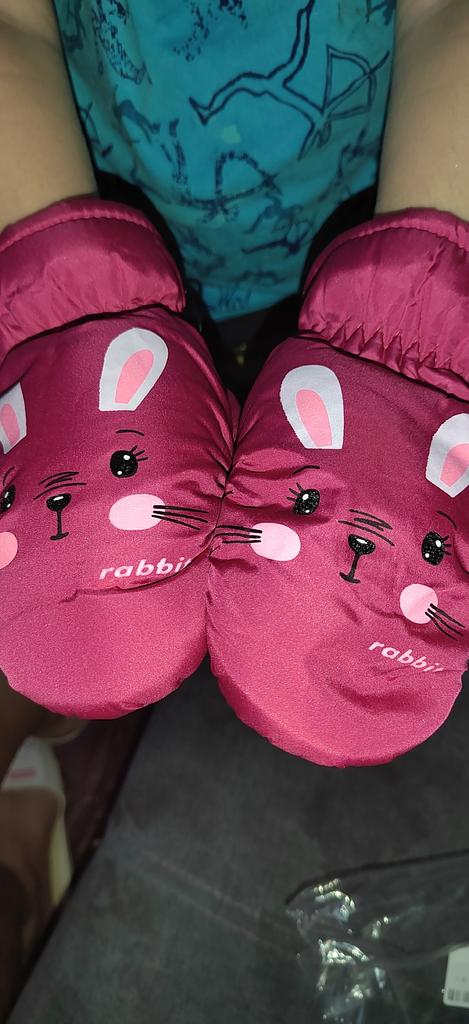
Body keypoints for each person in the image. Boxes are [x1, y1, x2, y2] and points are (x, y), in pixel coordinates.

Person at [0, 0, 468, 1016]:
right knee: (76, 598)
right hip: (92, 172)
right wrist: (68, 319)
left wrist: (413, 355)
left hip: (368, 185)